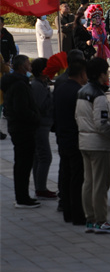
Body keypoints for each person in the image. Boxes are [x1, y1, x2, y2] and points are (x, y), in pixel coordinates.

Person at [75, 58, 110, 234]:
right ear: (101, 74)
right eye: (107, 71)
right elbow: (102, 123)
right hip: (99, 145)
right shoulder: (98, 95)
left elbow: (77, 117)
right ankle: (101, 220)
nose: (108, 74)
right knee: (101, 184)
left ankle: (90, 219)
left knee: (89, 182)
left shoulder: (81, 92)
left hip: (84, 141)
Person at [2, 54, 40, 207]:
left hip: (19, 128)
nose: (30, 66)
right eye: (27, 64)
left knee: (22, 164)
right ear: (21, 67)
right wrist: (36, 117)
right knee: (23, 164)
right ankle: (22, 198)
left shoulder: (17, 82)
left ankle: (23, 195)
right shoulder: (19, 85)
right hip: (22, 129)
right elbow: (21, 109)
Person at [53, 54, 87, 225]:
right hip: (75, 138)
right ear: (81, 74)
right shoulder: (78, 92)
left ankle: (67, 211)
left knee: (66, 175)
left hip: (62, 136)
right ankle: (77, 214)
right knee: (76, 178)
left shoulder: (60, 88)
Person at [30, 58, 57, 200]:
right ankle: (41, 188)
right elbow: (41, 106)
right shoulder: (38, 86)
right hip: (40, 126)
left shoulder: (40, 84)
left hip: (42, 125)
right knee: (45, 156)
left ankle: (40, 187)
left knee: (39, 157)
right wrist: (52, 98)